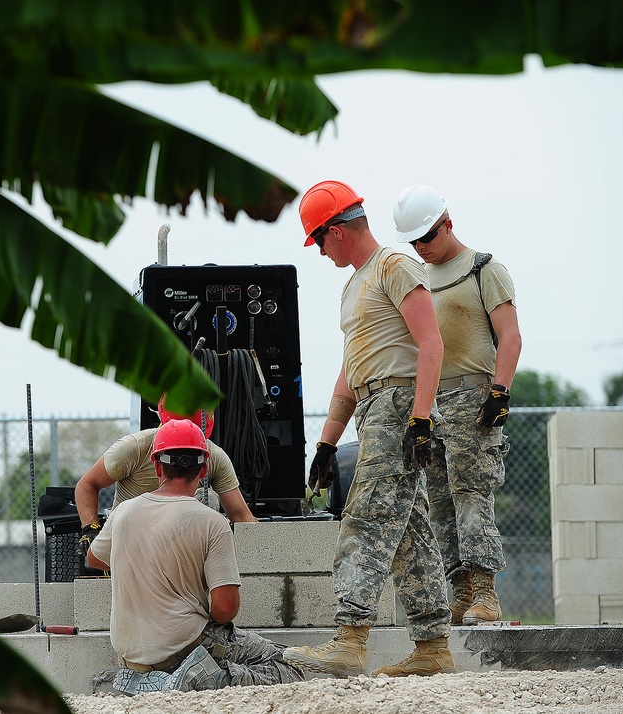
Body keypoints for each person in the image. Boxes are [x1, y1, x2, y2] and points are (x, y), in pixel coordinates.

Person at [283, 179, 455, 678]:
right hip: (375, 405)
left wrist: (421, 418)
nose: (318, 252)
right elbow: (350, 368)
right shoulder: (354, 284)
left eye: (317, 240)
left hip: (399, 405)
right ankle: (433, 647)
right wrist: (326, 443)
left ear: (336, 231)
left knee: (366, 516)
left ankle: (350, 638)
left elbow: (431, 343)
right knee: (409, 530)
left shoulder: (394, 267)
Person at [86, 419, 303, 693]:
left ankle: (152, 680)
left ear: (156, 466)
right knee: (287, 666)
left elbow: (94, 558)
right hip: (186, 648)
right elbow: (225, 609)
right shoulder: (212, 522)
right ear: (203, 469)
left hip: (132, 657)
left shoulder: (123, 512)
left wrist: (142, 557)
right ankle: (199, 677)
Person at [394, 185, 522, 626]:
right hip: (430, 399)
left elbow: (510, 335)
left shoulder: (484, 269)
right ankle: (461, 593)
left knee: (471, 493)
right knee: (440, 501)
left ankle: (485, 592)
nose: (420, 248)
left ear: (447, 224)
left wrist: (500, 391)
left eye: (426, 238)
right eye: (413, 242)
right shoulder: (418, 279)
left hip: (472, 396)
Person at [76, 396, 256, 559]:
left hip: (181, 552)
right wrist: (91, 529)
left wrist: (265, 549)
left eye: (190, 453)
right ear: (157, 465)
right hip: (132, 543)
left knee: (207, 499)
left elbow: (240, 515)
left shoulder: (214, 456)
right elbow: (87, 484)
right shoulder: (135, 448)